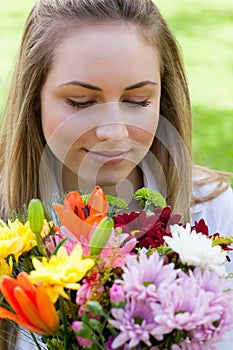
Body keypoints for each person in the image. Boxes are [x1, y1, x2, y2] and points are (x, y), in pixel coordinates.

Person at [0, 0, 232, 349]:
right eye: (81, 102)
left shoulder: (217, 212)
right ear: (35, 98)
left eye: (137, 100)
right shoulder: (9, 230)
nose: (114, 131)